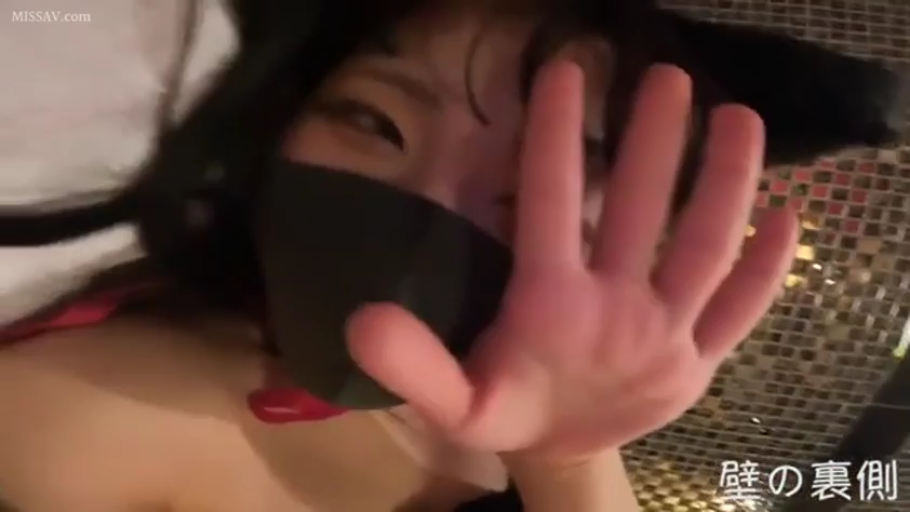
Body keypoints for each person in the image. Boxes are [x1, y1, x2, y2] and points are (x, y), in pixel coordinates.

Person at [0, 2, 799, 511]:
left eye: (533, 188)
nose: (431, 203)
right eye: (372, 121)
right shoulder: (85, 417)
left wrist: (571, 464)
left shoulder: (511, 447)